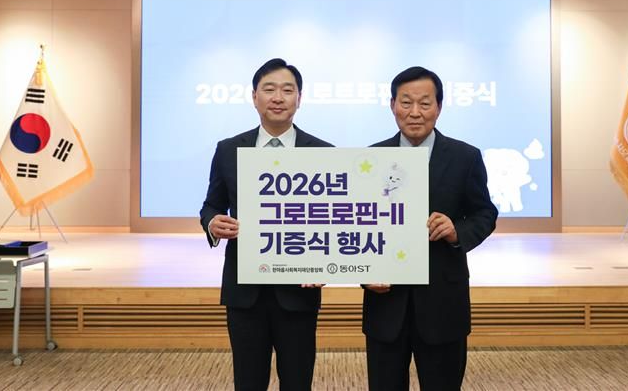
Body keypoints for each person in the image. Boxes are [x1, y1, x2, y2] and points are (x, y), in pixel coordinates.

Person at [200, 58, 333, 391]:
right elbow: (212, 204)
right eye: (269, 89)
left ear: (299, 98)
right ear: (254, 97)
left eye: (287, 90)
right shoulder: (229, 149)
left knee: (298, 380)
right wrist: (213, 222)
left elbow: (334, 217)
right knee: (248, 380)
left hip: (299, 289)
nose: (278, 97)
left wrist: (326, 262)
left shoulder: (323, 152)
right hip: (245, 291)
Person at [363, 66, 498, 391]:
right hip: (386, 305)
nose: (415, 112)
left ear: (439, 106)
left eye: (424, 103)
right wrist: (365, 273)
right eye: (406, 102)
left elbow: (484, 213)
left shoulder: (465, 157)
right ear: (392, 105)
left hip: (443, 304)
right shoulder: (371, 159)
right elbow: (357, 223)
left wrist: (456, 231)